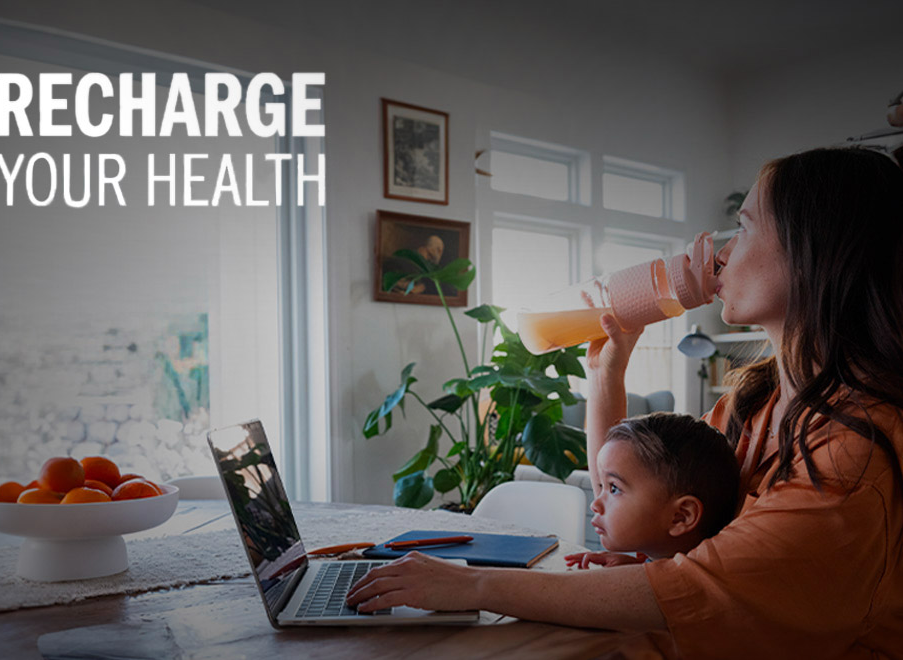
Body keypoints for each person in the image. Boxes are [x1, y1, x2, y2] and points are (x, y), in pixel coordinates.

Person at [346, 147, 903, 658]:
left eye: (743, 227)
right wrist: (607, 374)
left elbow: (697, 588)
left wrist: (470, 583)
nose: (723, 254)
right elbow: (635, 484)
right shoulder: (757, 399)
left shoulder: (856, 452)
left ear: (814, 253)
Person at [563, 413, 739, 569]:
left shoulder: (686, 598)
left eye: (614, 488)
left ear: (681, 516)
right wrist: (636, 567)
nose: (595, 504)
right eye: (602, 487)